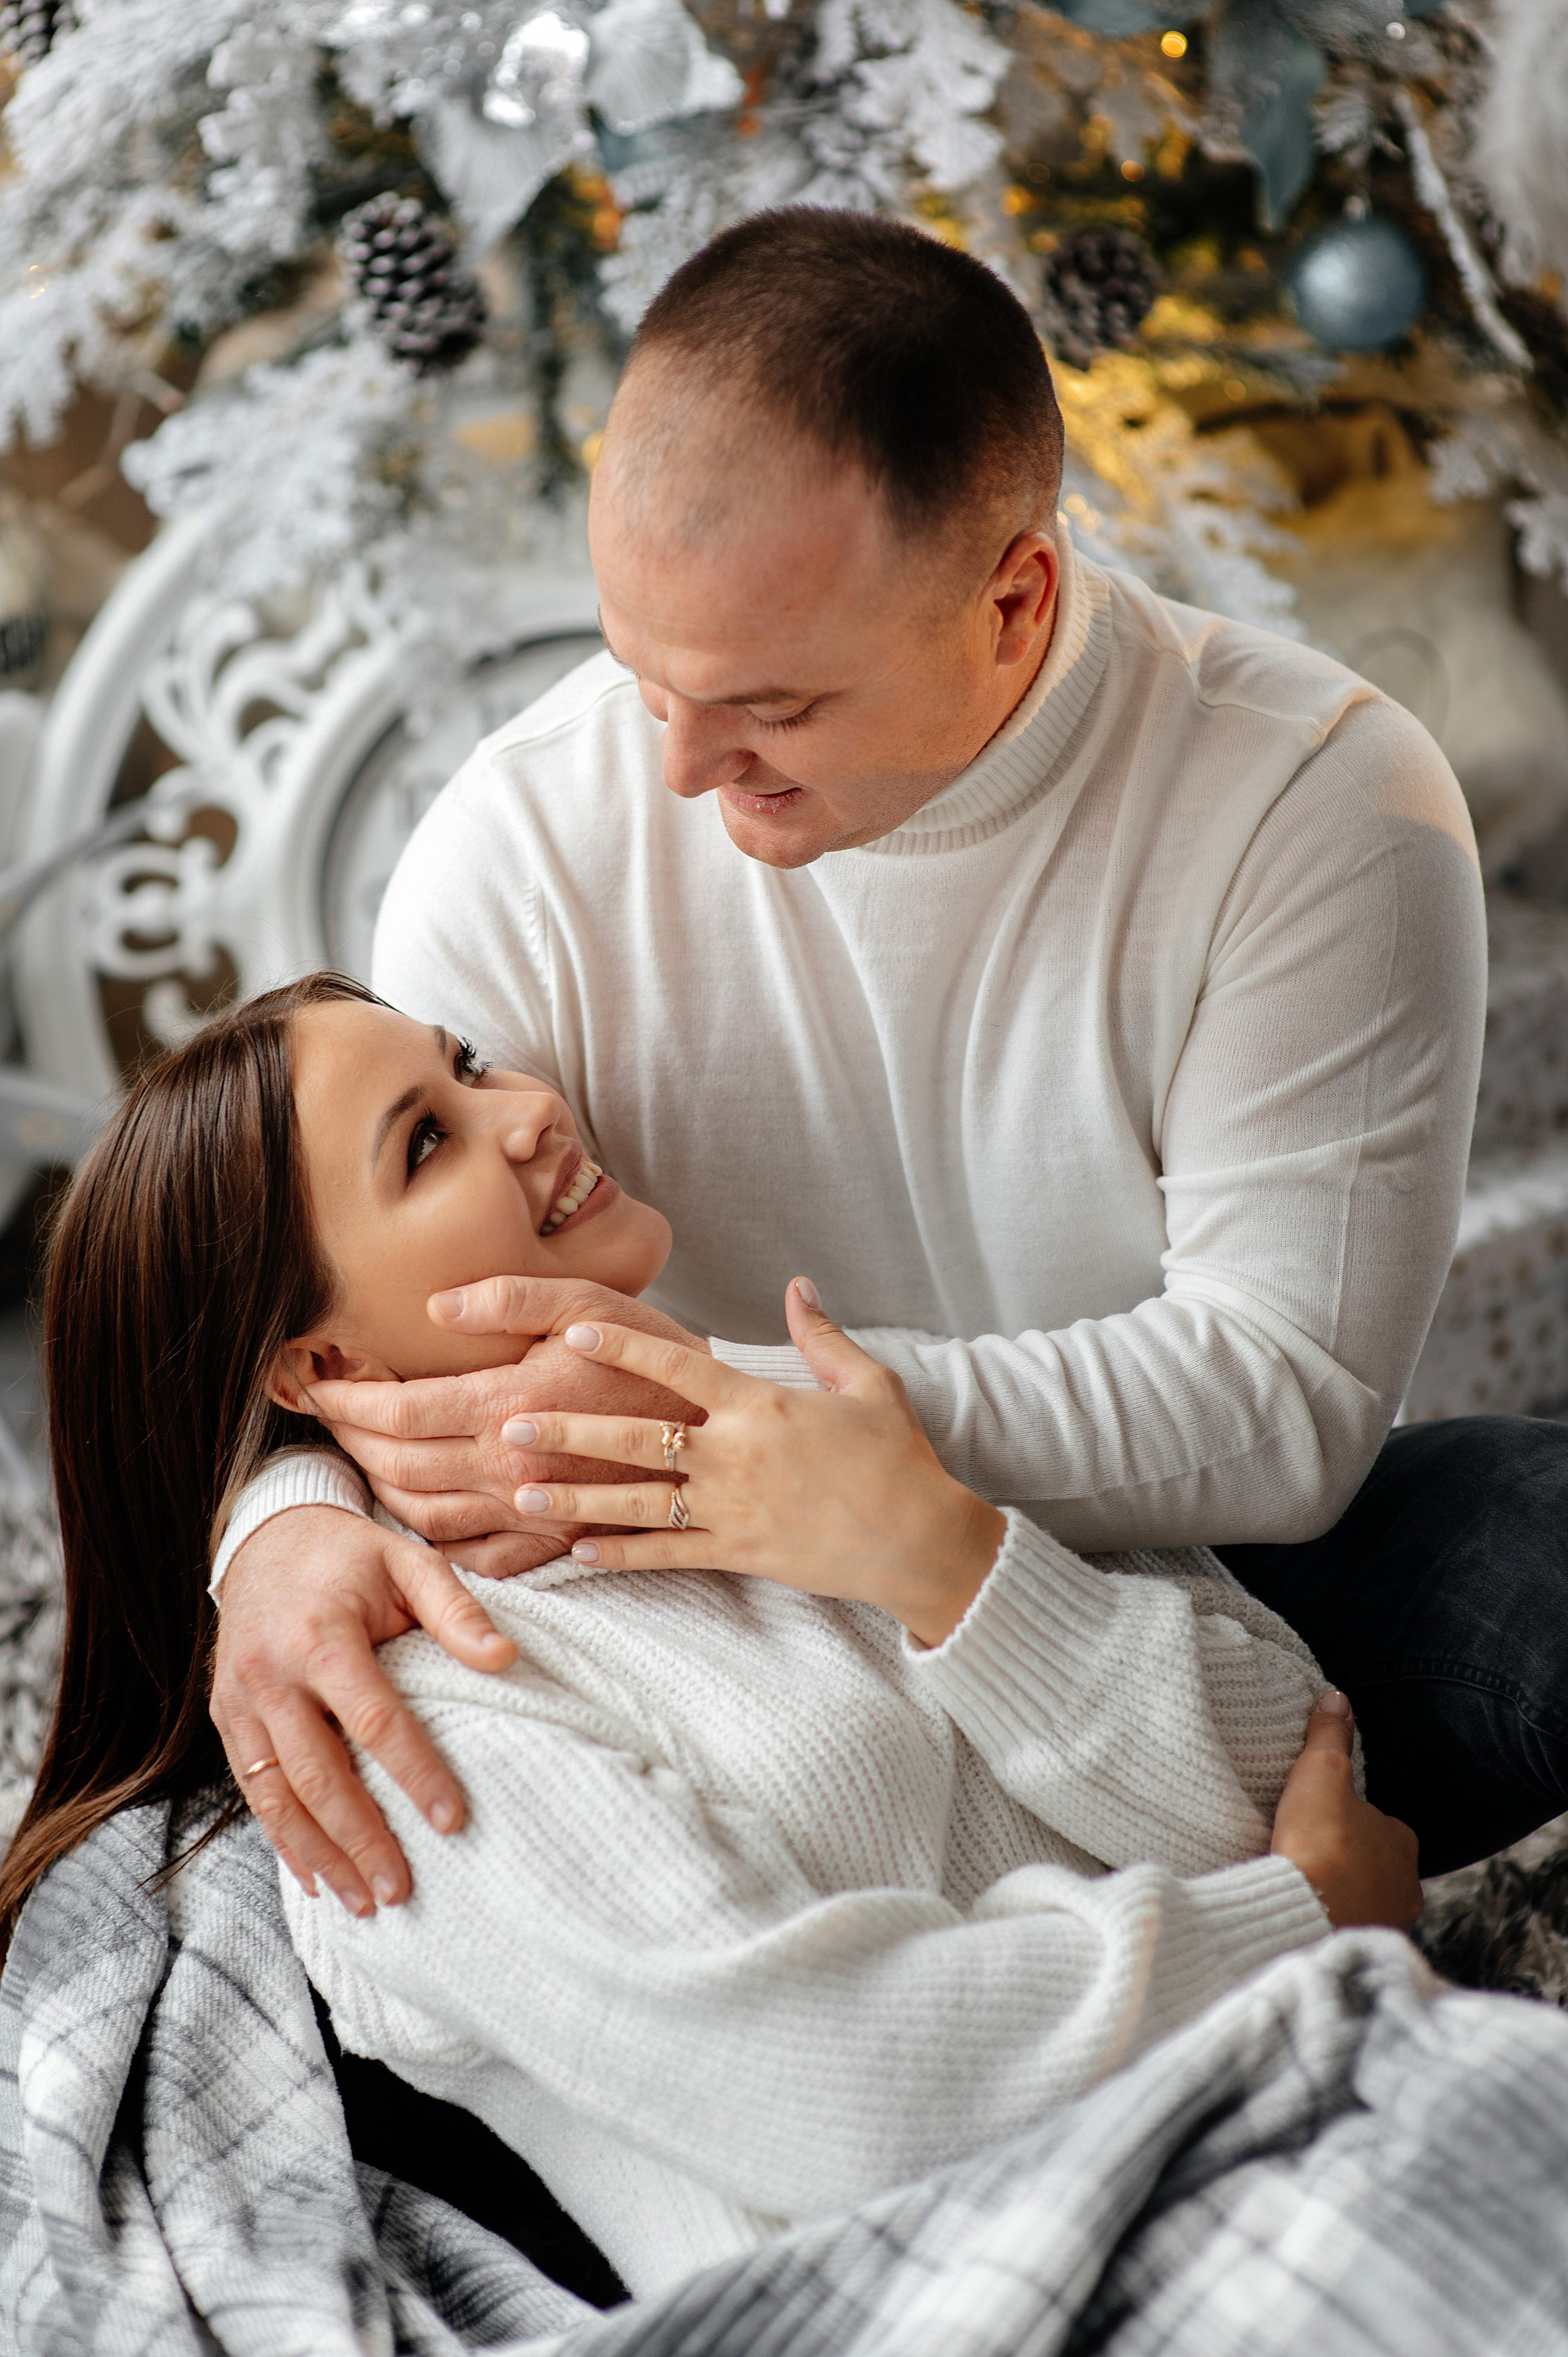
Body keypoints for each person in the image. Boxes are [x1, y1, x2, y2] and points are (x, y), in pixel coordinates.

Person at [212, 205, 1562, 1920]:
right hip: (731, 1642)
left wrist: (756, 1441)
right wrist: (278, 1528)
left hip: (1207, 1607)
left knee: (1535, 1528)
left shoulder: (1321, 808)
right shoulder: (523, 834)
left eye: (770, 706)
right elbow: (352, 1299)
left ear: (1015, 599)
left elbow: (1283, 1408)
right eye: (642, 678)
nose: (684, 771)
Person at [0, 974, 1421, 2299]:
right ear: (324, 1366)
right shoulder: (402, 1718)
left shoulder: (808, 1425)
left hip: (1325, 2118)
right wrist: (1284, 1927)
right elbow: (857, 2092)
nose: (530, 1110)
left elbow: (1288, 1754)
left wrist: (938, 1557)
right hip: (1025, 2293)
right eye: (427, 1140)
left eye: (473, 1065)